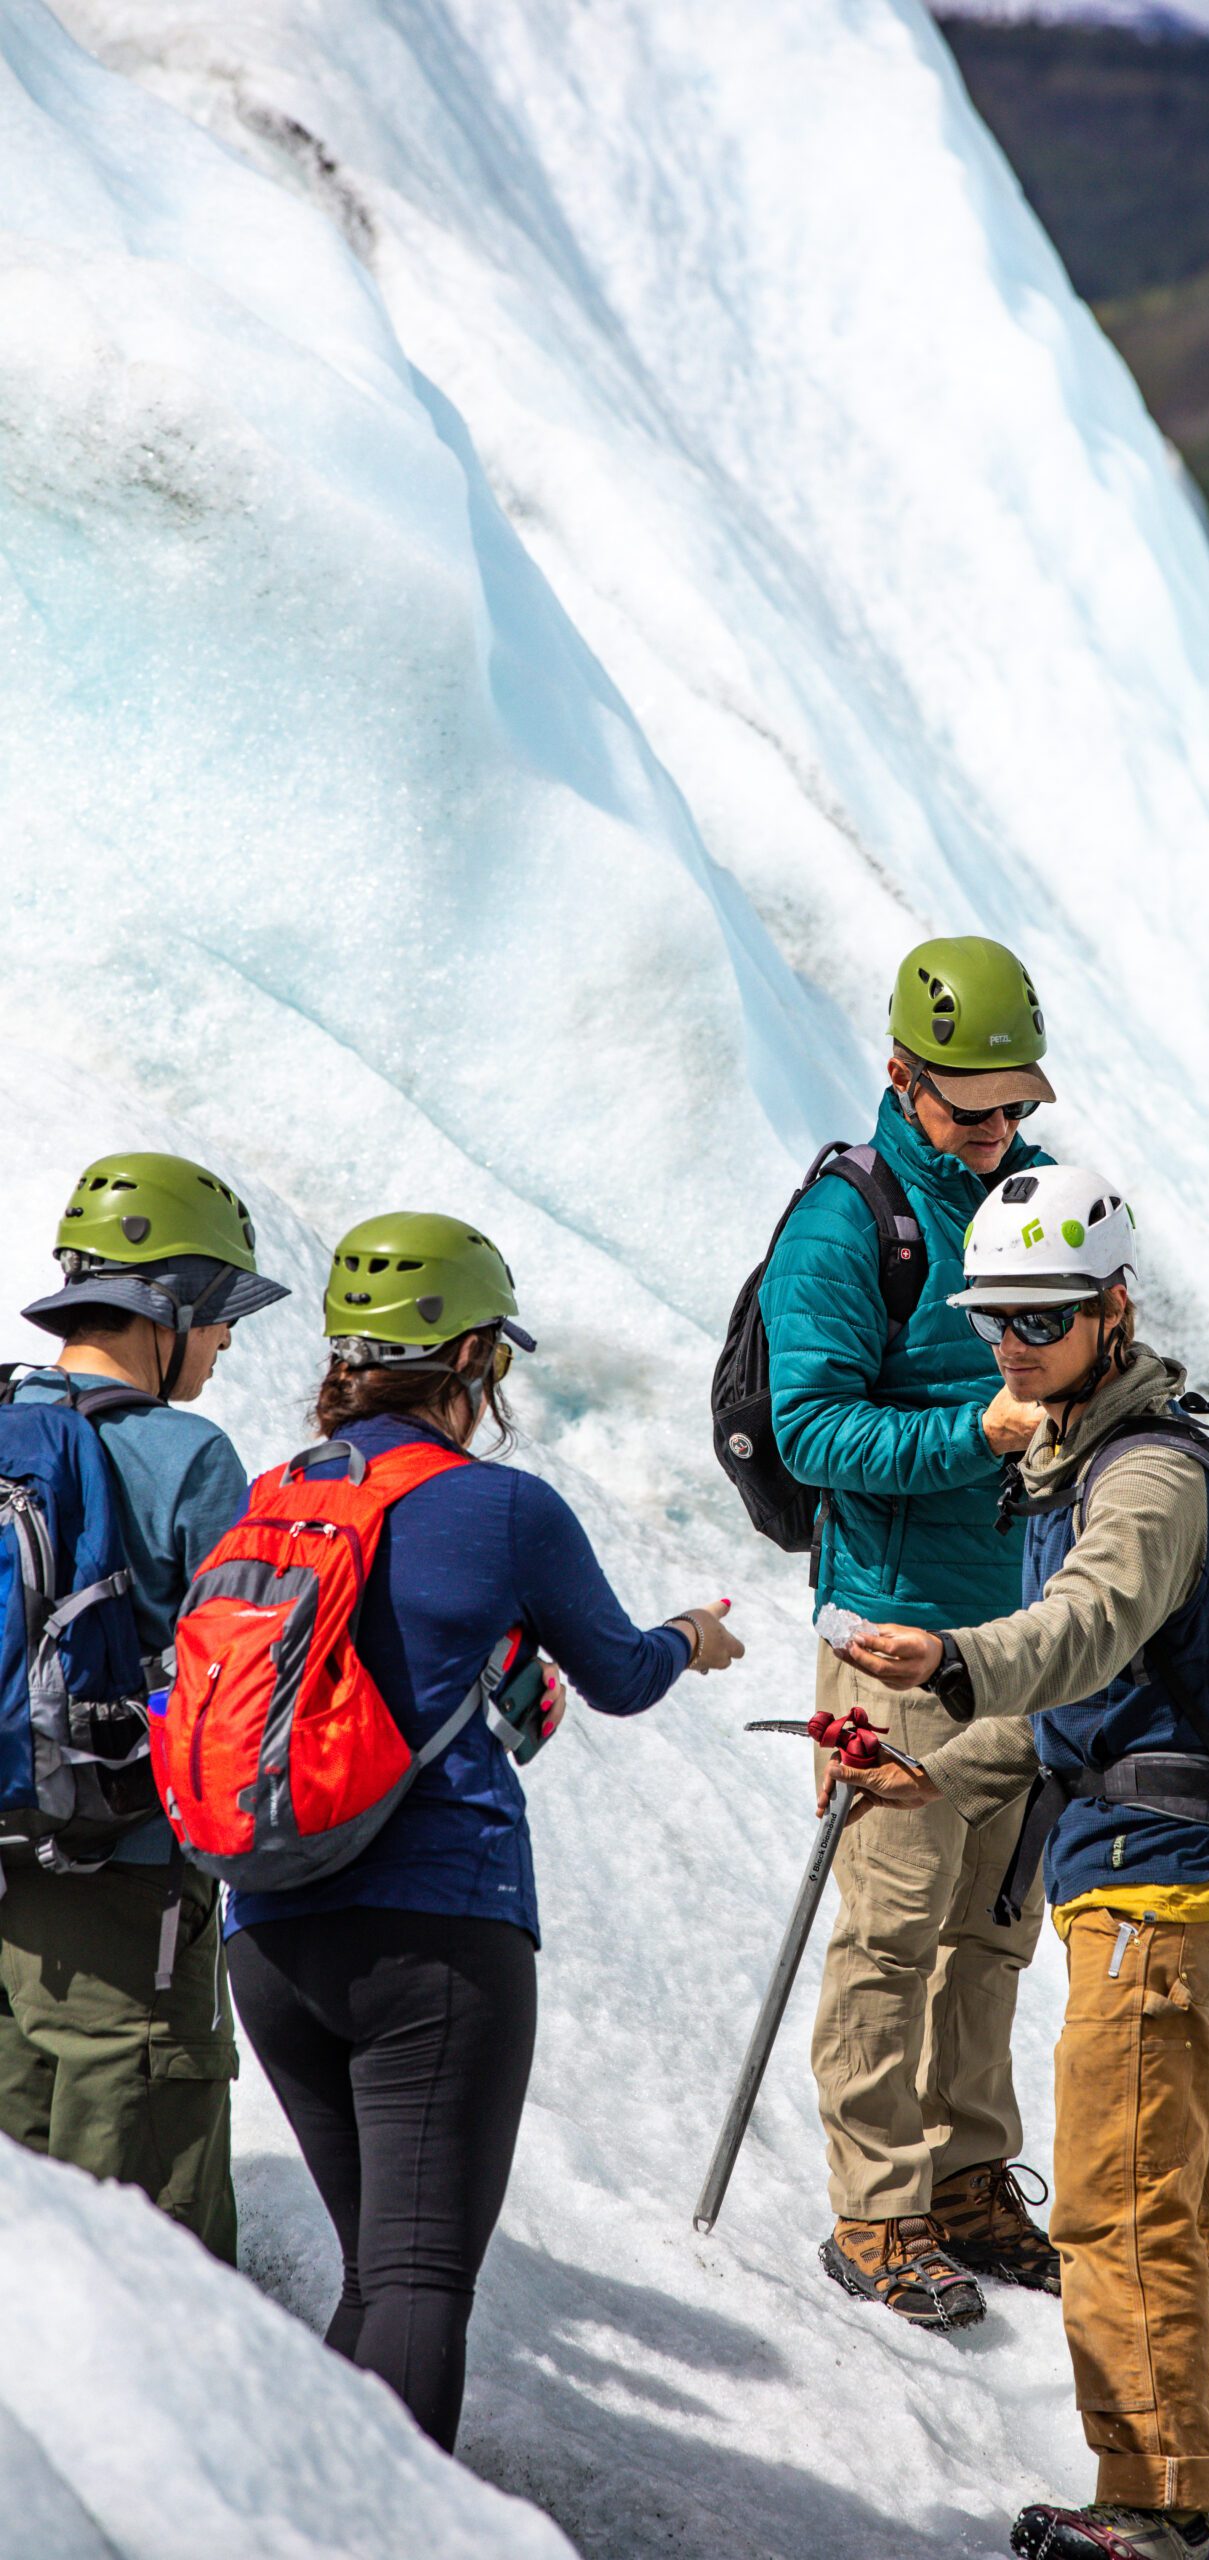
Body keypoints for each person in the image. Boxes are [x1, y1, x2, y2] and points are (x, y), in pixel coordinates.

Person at [822, 1166, 1209, 2560]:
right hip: (1134, 1852)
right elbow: (1090, 1715)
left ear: (1111, 1308)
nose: (1014, 1344)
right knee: (1190, 2165)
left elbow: (1079, 1635)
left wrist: (954, 1661)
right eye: (997, 1320)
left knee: (1110, 2192)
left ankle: (1150, 2502)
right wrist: (932, 1766)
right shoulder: (1075, 1461)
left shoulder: (1140, 1478)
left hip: (1156, 1872)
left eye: (1043, 1316)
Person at [222, 1212, 743, 2453]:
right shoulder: (501, 1506)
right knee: (417, 2286)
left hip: (270, 1932)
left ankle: (311, 2528)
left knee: (374, 2277)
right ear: (470, 1357)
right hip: (438, 1939)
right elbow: (617, 1673)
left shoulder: (274, 1494)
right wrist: (692, 1635)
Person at [760, 935, 1062, 2330]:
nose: (998, 1133)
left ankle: (963, 2178)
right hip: (888, 1644)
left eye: (1015, 1108)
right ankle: (875, 2213)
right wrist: (976, 1432)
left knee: (990, 1932)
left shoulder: (1032, 1200)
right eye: (970, 1109)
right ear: (898, 1075)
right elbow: (808, 1427)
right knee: (887, 1932)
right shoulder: (846, 1226)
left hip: (1025, 1638)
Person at [0, 1149, 291, 2261]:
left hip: (5, 1858)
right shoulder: (186, 1453)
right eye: (216, 1312)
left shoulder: (4, 1417)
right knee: (152, 2230)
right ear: (161, 1306)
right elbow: (242, 1682)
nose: (222, 1342)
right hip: (126, 1888)